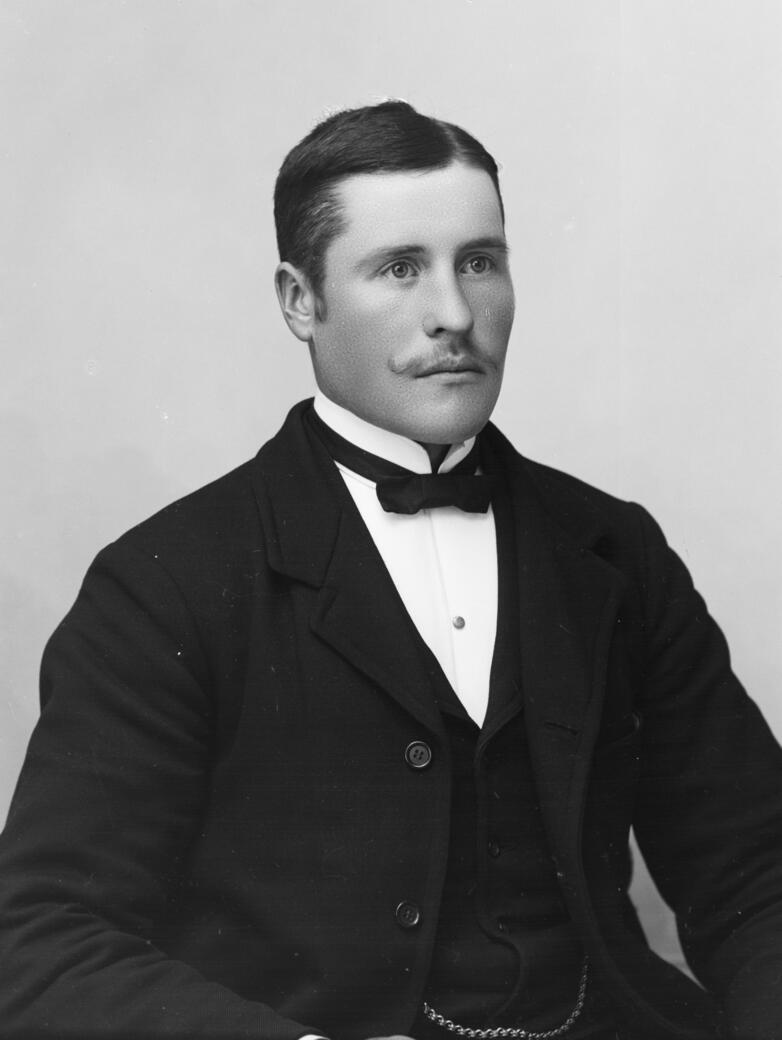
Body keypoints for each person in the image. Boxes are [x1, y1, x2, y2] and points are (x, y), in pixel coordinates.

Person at [0, 102, 780, 1040]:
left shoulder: (615, 549)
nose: (454, 314)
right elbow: (42, 939)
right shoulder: (164, 585)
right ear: (300, 300)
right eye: (400, 269)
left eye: (478, 262)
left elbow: (757, 877)